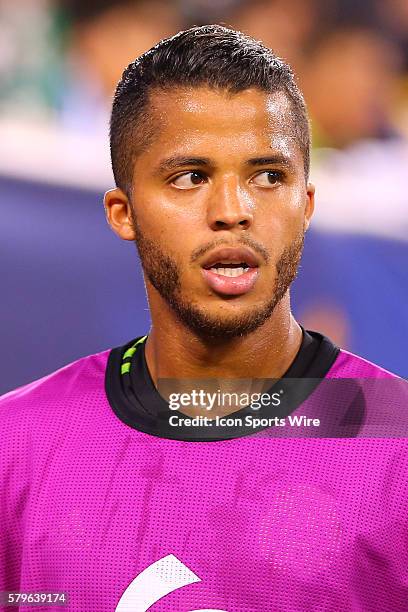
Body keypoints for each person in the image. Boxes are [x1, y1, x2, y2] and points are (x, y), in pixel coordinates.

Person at [1, 25, 407, 612]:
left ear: (307, 205)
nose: (232, 212)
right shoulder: (19, 445)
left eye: (268, 176)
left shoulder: (394, 439)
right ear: (124, 212)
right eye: (190, 177)